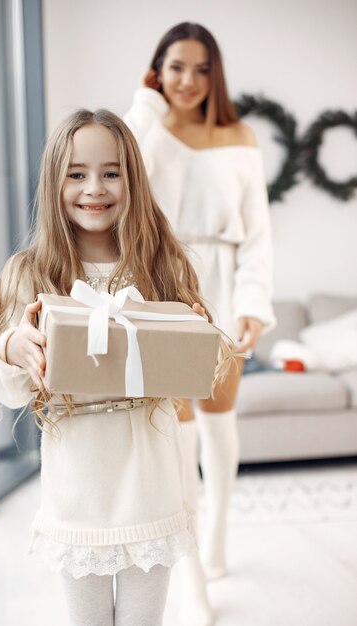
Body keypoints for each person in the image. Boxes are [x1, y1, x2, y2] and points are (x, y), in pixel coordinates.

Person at [0, 108, 232, 626]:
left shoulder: (161, 264)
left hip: (151, 488)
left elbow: (202, 373)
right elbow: (7, 389)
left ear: (132, 177)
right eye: (77, 173)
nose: (95, 188)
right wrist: (14, 351)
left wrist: (195, 338)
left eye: (111, 172)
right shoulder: (32, 272)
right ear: (54, 182)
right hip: (78, 494)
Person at [125, 21, 275, 624]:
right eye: (174, 67)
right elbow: (117, 164)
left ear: (215, 74)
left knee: (219, 425)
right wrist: (144, 101)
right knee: (177, 438)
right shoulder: (148, 129)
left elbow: (258, 231)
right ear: (157, 70)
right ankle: (190, 578)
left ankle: (216, 539)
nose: (187, 80)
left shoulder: (240, 136)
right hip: (167, 289)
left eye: (200, 68)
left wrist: (253, 303)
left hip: (227, 283)